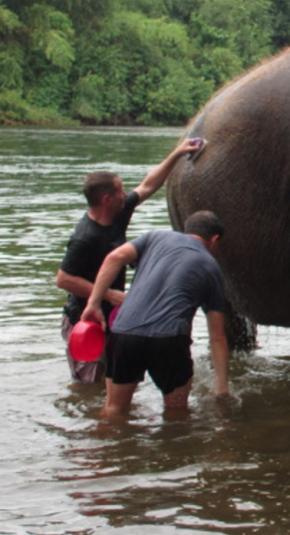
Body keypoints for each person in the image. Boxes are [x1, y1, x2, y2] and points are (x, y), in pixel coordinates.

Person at [57, 138, 204, 382]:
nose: (126, 194)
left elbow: (148, 185)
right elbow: (63, 279)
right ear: (106, 199)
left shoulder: (117, 213)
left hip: (114, 315)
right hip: (84, 320)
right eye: (121, 190)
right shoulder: (85, 238)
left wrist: (177, 153)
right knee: (89, 386)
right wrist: (106, 294)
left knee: (114, 379)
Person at [80, 210, 229, 416]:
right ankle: (173, 446)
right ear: (214, 240)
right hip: (169, 340)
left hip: (125, 333)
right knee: (177, 413)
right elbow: (218, 337)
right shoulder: (212, 268)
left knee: (114, 408)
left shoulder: (154, 237)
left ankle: (104, 445)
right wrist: (221, 384)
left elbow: (115, 257)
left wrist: (94, 303)